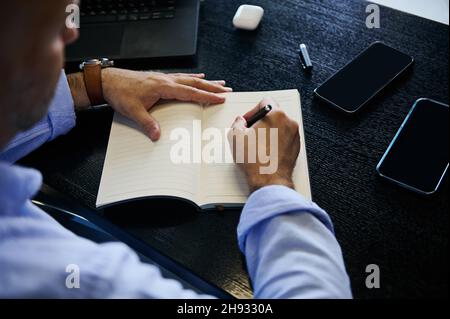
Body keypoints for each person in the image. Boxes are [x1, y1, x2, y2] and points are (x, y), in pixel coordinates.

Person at [0, 0, 352, 298]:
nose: (73, 32)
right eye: (47, 27)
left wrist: (92, 84)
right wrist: (272, 184)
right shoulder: (82, 277)